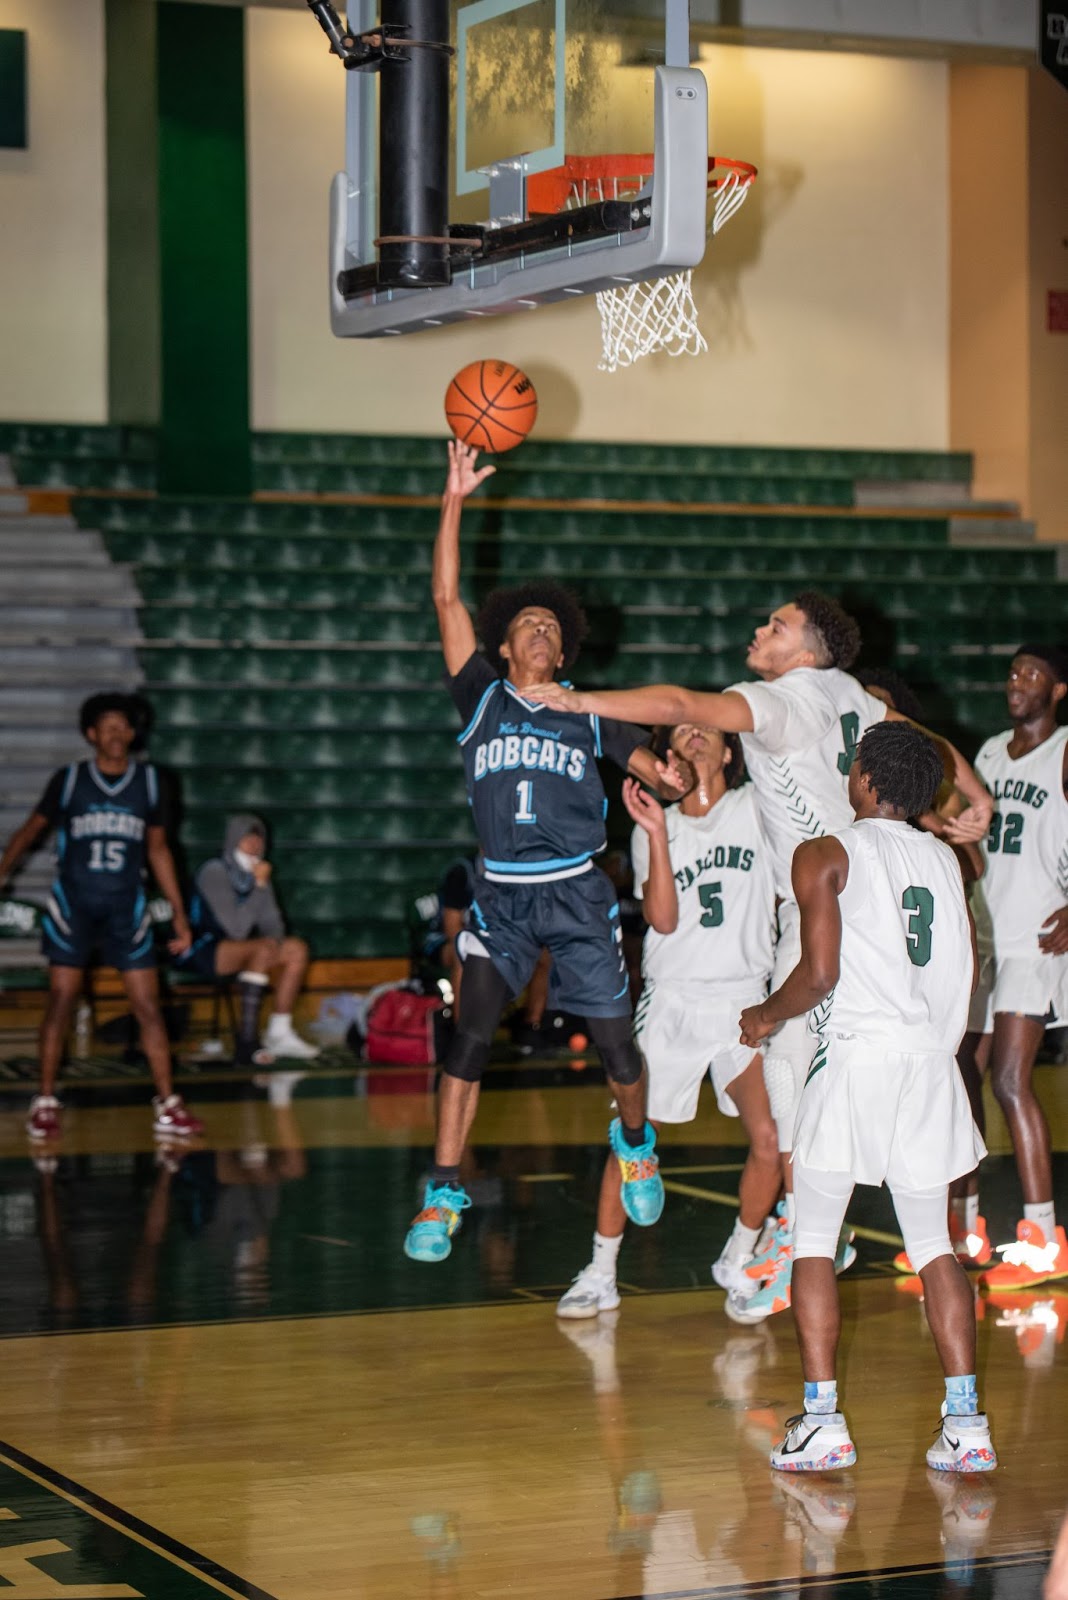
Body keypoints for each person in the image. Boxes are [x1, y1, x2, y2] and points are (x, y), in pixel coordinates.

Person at [528, 596, 993, 1320]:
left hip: (817, 909)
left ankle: (799, 1232)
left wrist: (571, 698)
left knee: (787, 1082)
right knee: (815, 1083)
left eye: (775, 627)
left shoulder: (786, 702)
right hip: (856, 916)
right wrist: (976, 796)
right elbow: (923, 737)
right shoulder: (857, 699)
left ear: (806, 652)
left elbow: (683, 699)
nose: (758, 632)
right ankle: (803, 1226)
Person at [403, 440, 685, 1264]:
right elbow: (445, 593)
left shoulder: (591, 711)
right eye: (525, 621)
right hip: (501, 896)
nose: (536, 627)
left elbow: (656, 774)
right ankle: (444, 1189)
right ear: (504, 644)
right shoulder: (480, 697)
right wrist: (454, 496)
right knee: (468, 1037)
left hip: (576, 893)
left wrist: (665, 774)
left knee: (616, 1049)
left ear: (561, 654)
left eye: (550, 626)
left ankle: (634, 1139)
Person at [739, 721, 994, 1474]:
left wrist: (762, 1018)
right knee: (934, 1247)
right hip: (928, 1063)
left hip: (854, 1059)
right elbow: (967, 974)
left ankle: (822, 1422)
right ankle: (966, 1425)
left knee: (813, 1237)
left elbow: (819, 975)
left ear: (865, 781)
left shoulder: (826, 853)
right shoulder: (950, 862)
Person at [556, 721, 780, 1319]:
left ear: (729, 750)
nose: (693, 736)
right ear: (668, 758)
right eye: (679, 734)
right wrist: (656, 832)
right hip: (674, 1000)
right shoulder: (657, 822)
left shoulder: (757, 807)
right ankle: (601, 1271)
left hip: (744, 1000)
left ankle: (740, 1255)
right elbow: (660, 919)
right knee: (633, 1142)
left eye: (704, 728)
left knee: (771, 1138)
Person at [0, 692, 202, 1141]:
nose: (115, 733)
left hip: (125, 907)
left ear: (133, 733)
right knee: (60, 1001)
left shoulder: (151, 783)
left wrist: (181, 917)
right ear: (91, 734)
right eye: (106, 726)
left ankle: (168, 1102)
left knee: (149, 1007)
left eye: (122, 726)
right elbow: (31, 830)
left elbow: (158, 849)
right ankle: (46, 1101)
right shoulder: (70, 780)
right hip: (75, 905)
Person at [961, 645, 1068, 1290]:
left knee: (1008, 1078)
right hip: (988, 935)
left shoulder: (1065, 750)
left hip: (1037, 938)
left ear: (1058, 691)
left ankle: (1042, 1236)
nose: (1016, 682)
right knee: (960, 1072)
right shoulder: (990, 754)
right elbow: (972, 841)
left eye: (1031, 675)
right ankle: (966, 1228)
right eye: (1012, 672)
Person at [177, 814, 320, 1064]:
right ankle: (246, 1042)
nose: (255, 844)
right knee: (262, 948)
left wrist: (276, 941)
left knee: (296, 949)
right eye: (247, 838)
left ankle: (279, 1032)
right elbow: (236, 930)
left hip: (240, 949)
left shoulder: (257, 872)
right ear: (233, 840)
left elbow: (273, 924)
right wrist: (260, 886)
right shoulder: (215, 871)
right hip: (200, 947)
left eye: (258, 838)